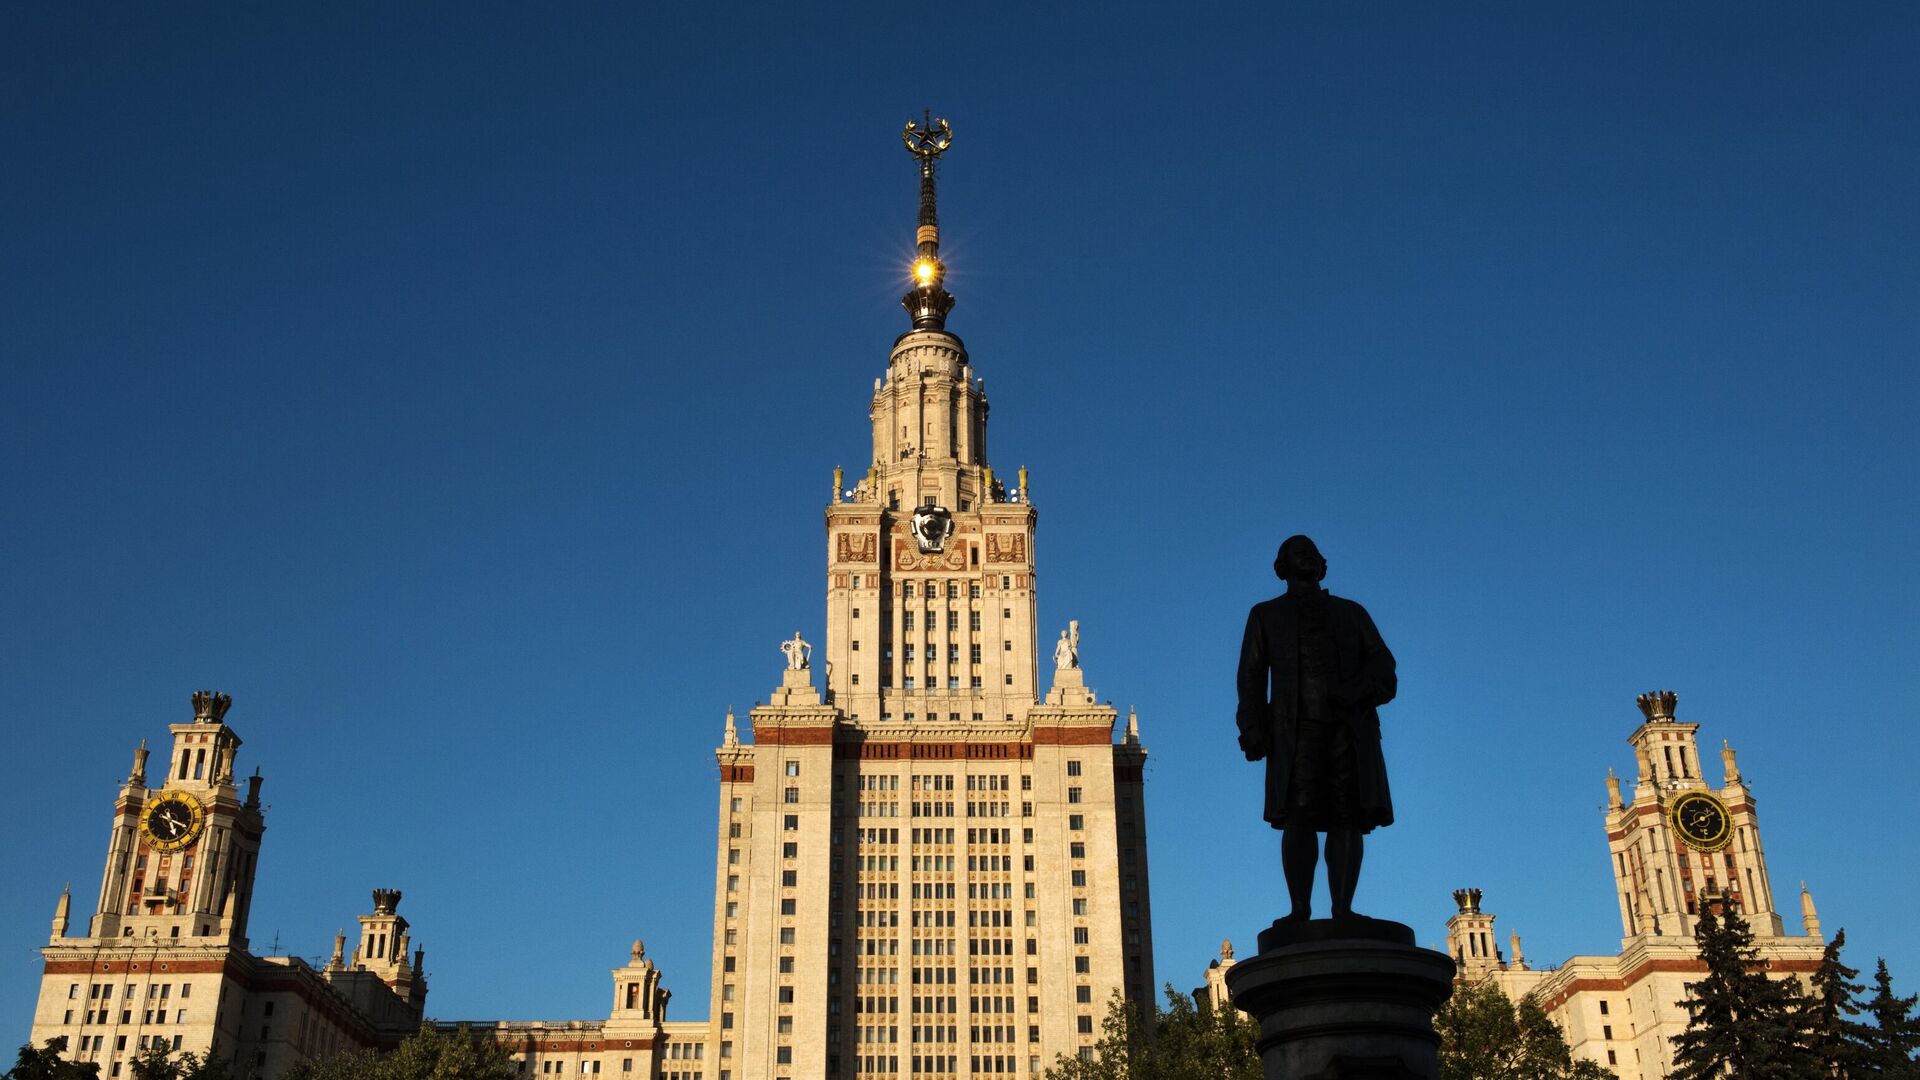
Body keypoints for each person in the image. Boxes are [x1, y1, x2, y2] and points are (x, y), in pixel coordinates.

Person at [1236, 535, 1396, 922]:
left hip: (1348, 728)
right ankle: (1299, 910)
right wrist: (1253, 726)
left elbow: (1384, 667)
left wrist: (1353, 691)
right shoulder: (1265, 615)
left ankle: (1343, 908)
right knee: (1299, 814)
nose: (1308, 556)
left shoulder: (1351, 613)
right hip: (1295, 730)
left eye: (1313, 552)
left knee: (1347, 814)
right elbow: (1251, 676)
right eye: (1298, 552)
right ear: (1283, 566)